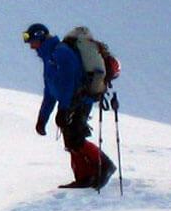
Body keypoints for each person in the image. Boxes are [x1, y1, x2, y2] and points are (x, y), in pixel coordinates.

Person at [24, 23, 115, 191]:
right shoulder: (49, 56)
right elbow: (50, 90)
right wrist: (42, 118)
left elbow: (68, 81)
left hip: (80, 100)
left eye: (31, 41)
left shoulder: (61, 52)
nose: (30, 46)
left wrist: (63, 109)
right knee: (70, 139)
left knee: (76, 138)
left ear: (40, 38)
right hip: (71, 102)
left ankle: (105, 165)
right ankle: (84, 177)